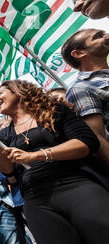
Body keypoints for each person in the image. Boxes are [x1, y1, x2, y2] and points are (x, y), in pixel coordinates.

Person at [0, 79, 109, 244]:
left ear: (20, 92)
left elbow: (87, 142)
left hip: (77, 186)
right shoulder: (5, 134)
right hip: (37, 202)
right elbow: (8, 173)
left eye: (1, 92)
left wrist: (38, 155)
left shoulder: (55, 111)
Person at [61, 28, 109, 168]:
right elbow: (97, 139)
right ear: (79, 53)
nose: (107, 36)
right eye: (98, 36)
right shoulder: (80, 89)